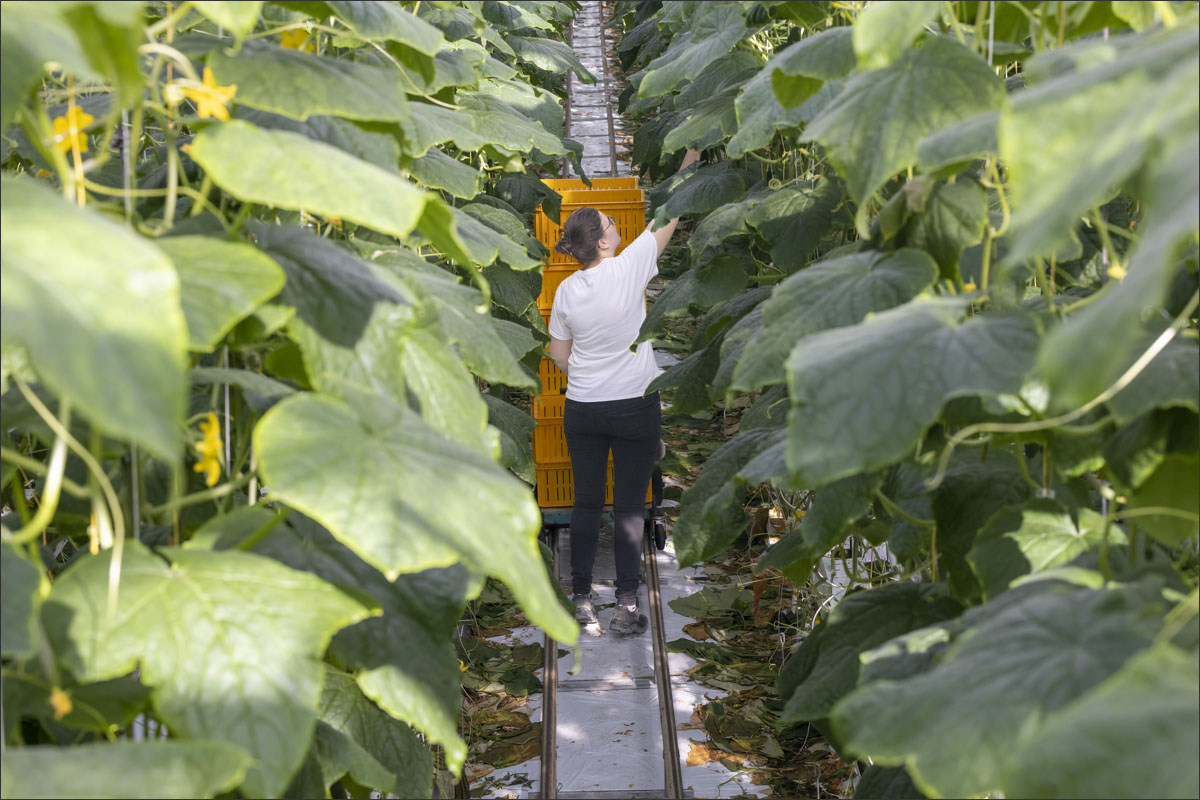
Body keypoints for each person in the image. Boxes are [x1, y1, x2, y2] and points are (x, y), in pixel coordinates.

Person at [547, 148, 703, 635]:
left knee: (588, 502)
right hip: (635, 405)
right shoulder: (632, 264)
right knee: (631, 504)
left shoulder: (568, 290)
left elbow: (558, 356)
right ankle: (627, 604)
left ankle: (580, 598)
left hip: (584, 409)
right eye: (611, 223)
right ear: (602, 240)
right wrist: (691, 159)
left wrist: (589, 374)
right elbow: (668, 212)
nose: (618, 225)